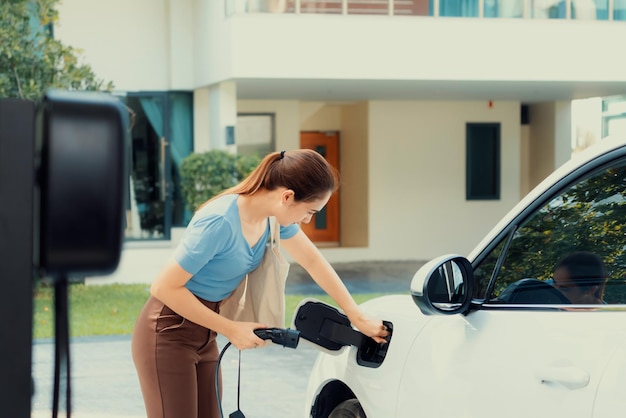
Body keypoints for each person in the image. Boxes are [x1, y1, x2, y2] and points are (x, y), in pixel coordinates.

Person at [131, 149, 389, 418]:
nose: (308, 220)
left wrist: (355, 314)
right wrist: (231, 328)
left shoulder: (271, 220)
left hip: (204, 334)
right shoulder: (220, 221)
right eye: (310, 211)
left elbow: (313, 261)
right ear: (287, 196)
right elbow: (163, 287)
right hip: (167, 331)